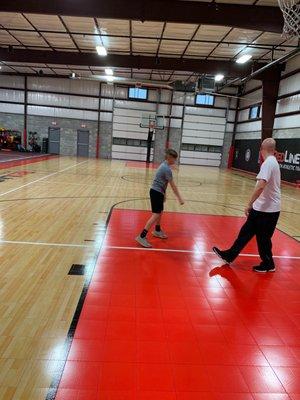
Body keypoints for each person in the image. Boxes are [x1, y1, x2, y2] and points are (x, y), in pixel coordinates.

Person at [213, 138, 281, 273]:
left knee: (263, 239)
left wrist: (249, 204)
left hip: (267, 211)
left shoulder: (268, 163)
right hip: (261, 208)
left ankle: (268, 264)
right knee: (245, 233)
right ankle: (229, 256)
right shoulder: (272, 162)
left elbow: (261, 185)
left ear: (262, 149)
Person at [136, 149, 184, 248]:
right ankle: (142, 236)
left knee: (160, 212)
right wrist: (179, 198)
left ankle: (157, 230)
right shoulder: (166, 169)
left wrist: (164, 194)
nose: (174, 162)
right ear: (169, 158)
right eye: (174, 160)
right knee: (156, 215)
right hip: (156, 192)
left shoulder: (165, 165)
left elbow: (163, 181)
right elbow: (173, 186)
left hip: (158, 192)